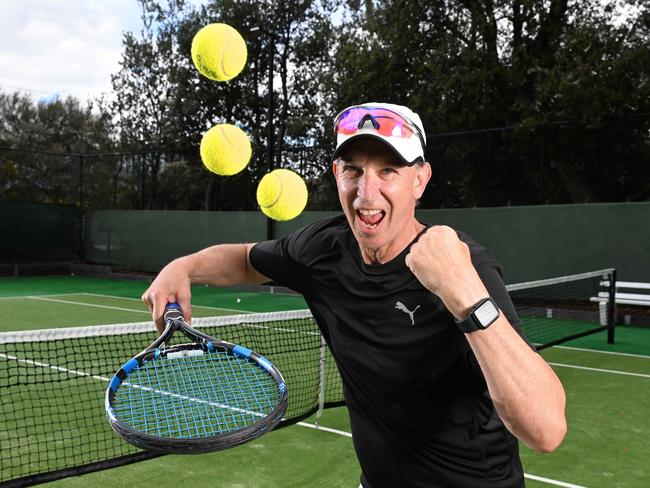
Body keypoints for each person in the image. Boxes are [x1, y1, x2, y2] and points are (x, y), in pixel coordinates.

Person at [142, 102, 567, 488]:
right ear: (336, 175)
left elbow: (545, 430)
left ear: (420, 180)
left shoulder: (466, 266)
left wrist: (467, 298)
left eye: (388, 171)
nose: (367, 193)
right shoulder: (323, 249)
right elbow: (244, 260)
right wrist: (184, 267)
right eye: (354, 170)